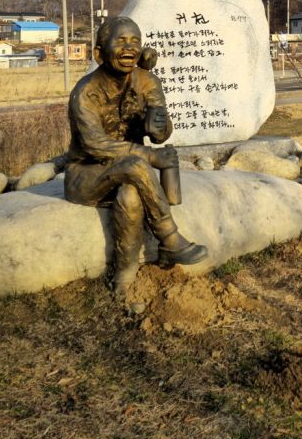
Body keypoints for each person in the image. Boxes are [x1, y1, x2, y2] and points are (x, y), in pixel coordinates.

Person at [59, 15, 208, 300]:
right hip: (87, 174)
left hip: (130, 175)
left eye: (135, 41)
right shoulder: (85, 92)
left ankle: (124, 278)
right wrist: (151, 155)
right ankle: (169, 236)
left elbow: (161, 134)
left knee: (129, 195)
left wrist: (158, 122)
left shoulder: (146, 81)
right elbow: (94, 145)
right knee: (136, 165)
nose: (129, 48)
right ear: (99, 54)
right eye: (121, 41)